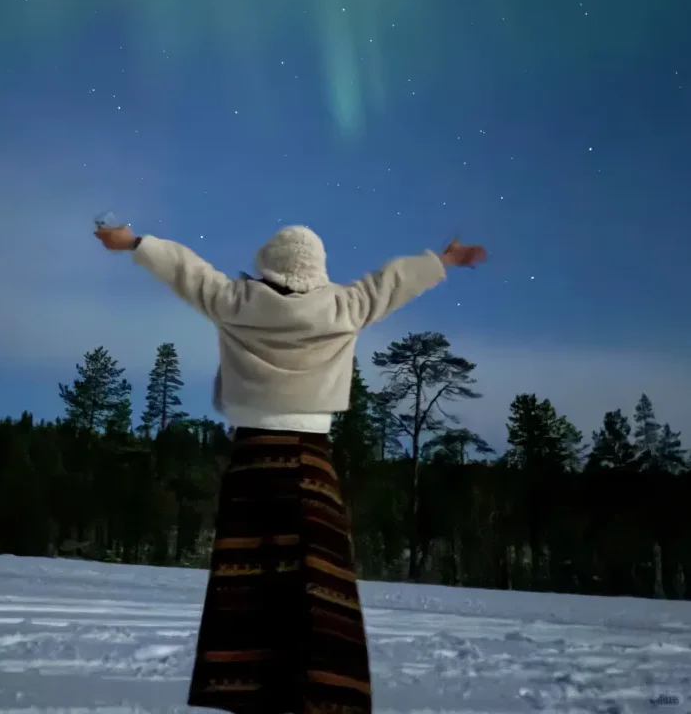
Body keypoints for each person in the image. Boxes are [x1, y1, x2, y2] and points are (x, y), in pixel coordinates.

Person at [95, 222, 487, 714]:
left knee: (248, 581)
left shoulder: (236, 300)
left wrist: (134, 243)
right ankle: (323, 693)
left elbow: (184, 268)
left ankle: (247, 690)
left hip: (252, 459)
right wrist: (443, 261)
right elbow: (393, 280)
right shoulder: (344, 305)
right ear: (318, 267)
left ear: (267, 264)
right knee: (316, 585)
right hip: (310, 461)